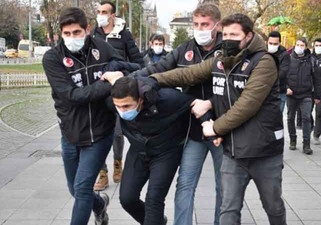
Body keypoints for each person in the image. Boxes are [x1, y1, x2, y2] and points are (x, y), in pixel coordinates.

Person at [142, 13, 286, 225]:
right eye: (225, 34)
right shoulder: (220, 61)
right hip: (232, 150)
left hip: (263, 151)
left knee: (272, 206)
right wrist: (150, 80)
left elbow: (246, 105)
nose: (228, 38)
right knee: (229, 210)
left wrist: (215, 128)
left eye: (234, 34)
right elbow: (187, 74)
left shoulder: (264, 62)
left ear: (248, 36)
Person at [131, 3, 224, 225]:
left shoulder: (229, 49)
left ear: (217, 25)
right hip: (193, 130)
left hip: (223, 128)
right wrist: (130, 79)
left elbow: (238, 88)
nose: (200, 29)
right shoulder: (184, 49)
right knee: (185, 184)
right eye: (196, 24)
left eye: (205, 24)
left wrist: (210, 103)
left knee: (225, 186)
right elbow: (158, 68)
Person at [42, 7, 124, 225]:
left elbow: (120, 63)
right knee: (76, 190)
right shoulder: (52, 58)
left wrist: (115, 69)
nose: (72, 38)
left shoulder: (102, 48)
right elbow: (71, 95)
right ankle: (100, 205)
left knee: (81, 188)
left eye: (76, 32)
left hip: (100, 133)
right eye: (66, 34)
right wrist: (106, 83)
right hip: (70, 135)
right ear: (60, 33)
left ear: (87, 29)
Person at [99, 75, 209, 225]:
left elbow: (196, 104)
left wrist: (209, 126)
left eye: (126, 106)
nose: (122, 111)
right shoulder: (114, 103)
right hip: (138, 150)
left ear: (140, 99)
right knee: (127, 199)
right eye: (118, 106)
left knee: (154, 199)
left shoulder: (167, 99)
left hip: (166, 152)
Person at [92, 0, 144, 191]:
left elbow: (140, 63)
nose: (100, 15)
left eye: (104, 11)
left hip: (117, 92)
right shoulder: (93, 35)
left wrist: (120, 69)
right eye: (98, 11)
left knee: (117, 132)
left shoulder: (123, 35)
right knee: (96, 134)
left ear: (113, 15)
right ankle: (102, 173)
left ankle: (117, 162)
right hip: (96, 91)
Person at [286, 37, 321, 154]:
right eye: (298, 45)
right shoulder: (288, 59)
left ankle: (306, 144)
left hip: (306, 94)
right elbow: (282, 76)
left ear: (306, 47)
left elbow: (317, 79)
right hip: (291, 94)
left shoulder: (311, 60)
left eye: (302, 45)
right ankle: (292, 139)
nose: (299, 47)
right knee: (290, 117)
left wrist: (317, 96)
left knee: (306, 117)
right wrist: (286, 88)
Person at [267, 31, 290, 112]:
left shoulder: (285, 55)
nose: (272, 45)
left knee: (277, 119)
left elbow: (282, 73)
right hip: (264, 92)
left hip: (279, 92)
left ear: (279, 43)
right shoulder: (262, 52)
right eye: (270, 43)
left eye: (275, 44)